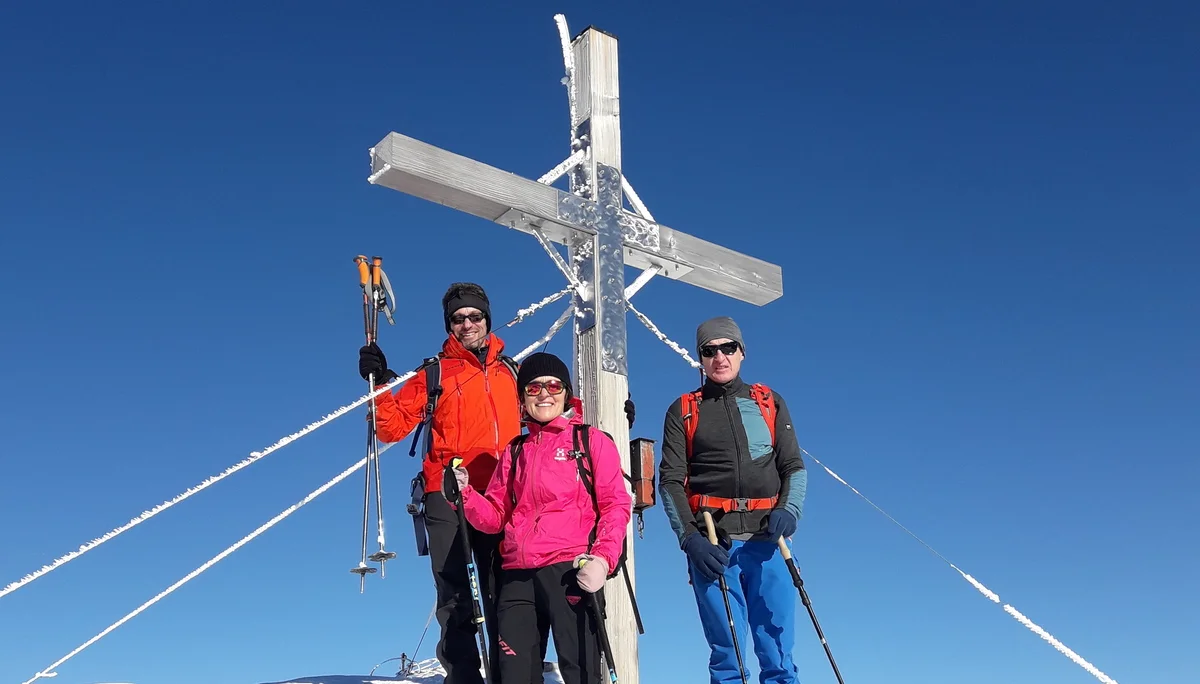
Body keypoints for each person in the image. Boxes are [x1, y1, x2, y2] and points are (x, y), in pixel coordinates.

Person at [357, 284, 634, 684]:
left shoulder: (513, 373)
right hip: (450, 496)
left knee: (502, 596)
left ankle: (507, 673)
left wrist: (620, 412)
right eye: (458, 318)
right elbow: (391, 426)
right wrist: (381, 383)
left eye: (475, 316)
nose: (467, 324)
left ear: (487, 319)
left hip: (509, 502)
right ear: (449, 324)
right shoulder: (434, 372)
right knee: (456, 596)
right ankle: (465, 677)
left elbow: (554, 419)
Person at [446, 352, 632, 684]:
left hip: (570, 569)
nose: (544, 393)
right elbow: (494, 517)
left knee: (580, 670)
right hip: (517, 575)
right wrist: (466, 496)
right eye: (533, 388)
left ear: (566, 393)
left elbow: (615, 506)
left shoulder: (591, 441)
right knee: (515, 674)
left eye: (552, 385)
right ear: (522, 399)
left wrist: (603, 560)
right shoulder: (515, 451)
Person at [658, 316, 807, 684]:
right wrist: (689, 539)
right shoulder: (684, 410)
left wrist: (789, 510)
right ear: (701, 359)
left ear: (742, 352)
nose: (720, 357)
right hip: (714, 543)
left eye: (728, 348)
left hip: (769, 542)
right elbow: (670, 480)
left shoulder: (768, 402)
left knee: (777, 650)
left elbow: (793, 466)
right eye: (709, 351)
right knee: (728, 655)